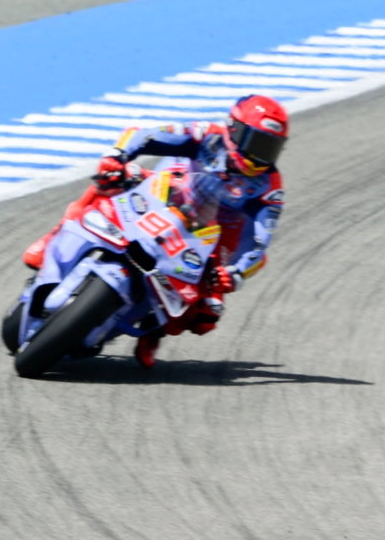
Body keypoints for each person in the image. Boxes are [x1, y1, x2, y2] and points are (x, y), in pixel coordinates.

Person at [21, 94, 289, 368]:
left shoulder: (270, 187)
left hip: (216, 233)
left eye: (271, 148)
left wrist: (234, 273)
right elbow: (145, 136)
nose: (261, 156)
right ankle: (55, 234)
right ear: (235, 130)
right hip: (168, 191)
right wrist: (118, 156)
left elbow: (259, 244)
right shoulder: (206, 135)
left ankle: (153, 330)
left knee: (206, 312)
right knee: (111, 178)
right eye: (258, 143)